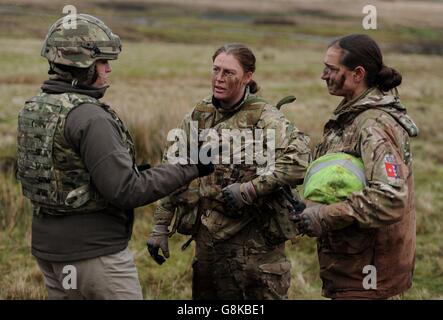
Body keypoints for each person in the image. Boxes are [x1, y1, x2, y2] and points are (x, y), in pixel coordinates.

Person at [16, 14, 213, 300]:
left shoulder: (34, 108)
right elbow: (127, 190)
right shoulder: (89, 117)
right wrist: (192, 166)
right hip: (94, 258)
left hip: (52, 255)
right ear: (82, 65)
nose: (108, 69)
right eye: (102, 62)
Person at [147, 43, 311, 300]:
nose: (219, 79)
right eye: (215, 70)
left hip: (257, 250)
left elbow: (299, 161)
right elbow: (174, 168)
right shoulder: (200, 115)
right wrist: (160, 226)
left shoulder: (266, 118)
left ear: (248, 76)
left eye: (228, 72)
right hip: (209, 244)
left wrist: (250, 189)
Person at [294, 34, 418, 299]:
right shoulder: (351, 115)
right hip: (352, 268)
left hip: (367, 276)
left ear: (358, 74)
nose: (323, 75)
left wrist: (325, 216)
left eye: (331, 69)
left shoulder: (372, 125)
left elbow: (391, 198)